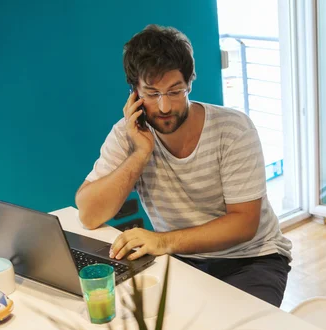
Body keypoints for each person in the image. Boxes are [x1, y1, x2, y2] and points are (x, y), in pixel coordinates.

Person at [75, 25, 292, 307]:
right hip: (182, 257)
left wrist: (163, 242)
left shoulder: (233, 129)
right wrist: (140, 153)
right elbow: (89, 214)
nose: (164, 107)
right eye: (152, 94)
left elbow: (244, 223)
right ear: (134, 93)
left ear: (190, 83)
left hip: (251, 258)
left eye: (175, 91)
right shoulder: (126, 134)